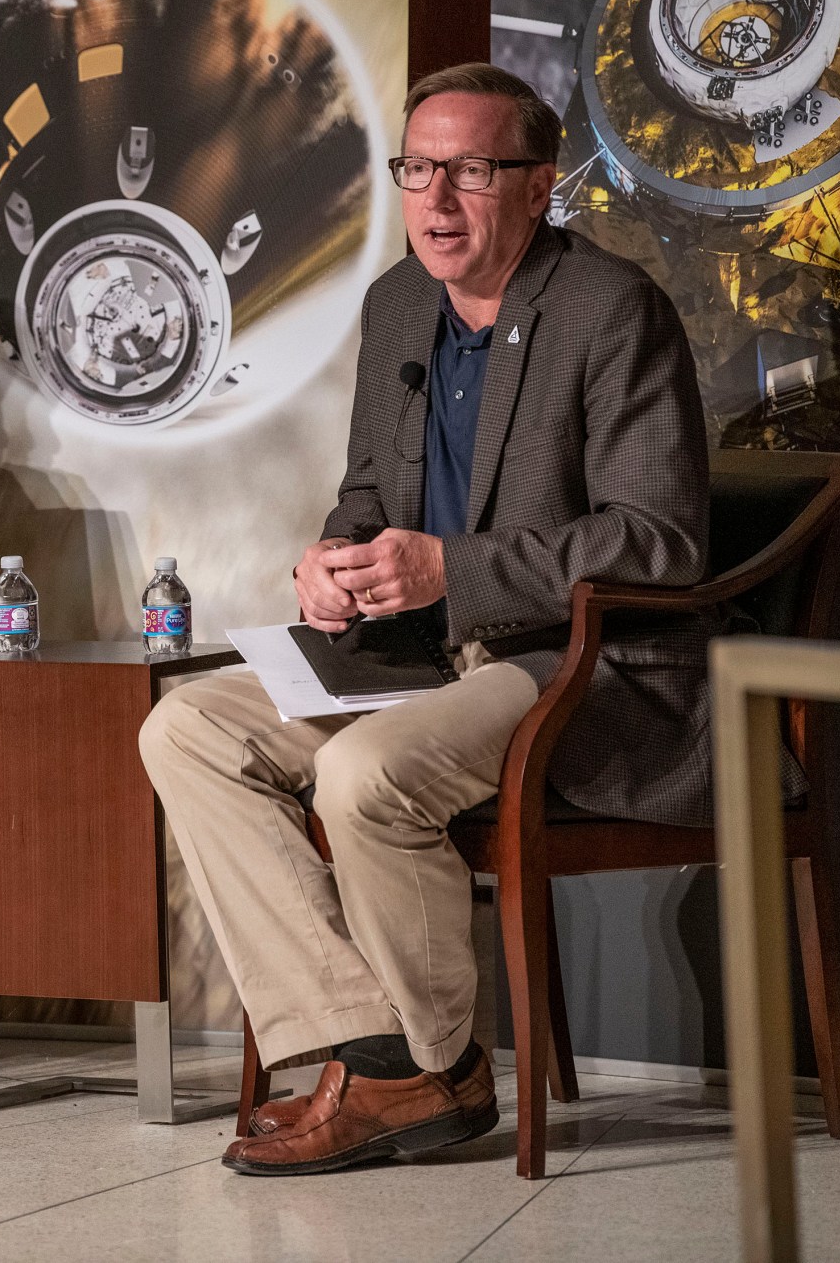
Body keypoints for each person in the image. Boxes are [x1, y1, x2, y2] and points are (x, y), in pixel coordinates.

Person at [140, 63, 732, 1176]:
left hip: (574, 663)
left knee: (364, 775)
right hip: (419, 656)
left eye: (469, 170)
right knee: (186, 727)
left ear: (538, 185)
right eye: (418, 170)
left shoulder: (610, 310)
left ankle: (414, 1074)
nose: (436, 200)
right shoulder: (398, 303)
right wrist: (335, 558)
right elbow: (370, 489)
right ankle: (385, 1057)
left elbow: (657, 541)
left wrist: (447, 570)